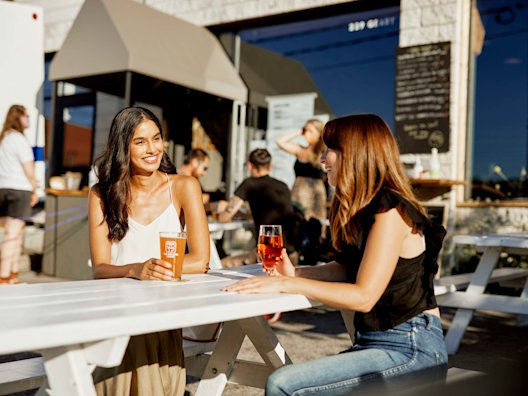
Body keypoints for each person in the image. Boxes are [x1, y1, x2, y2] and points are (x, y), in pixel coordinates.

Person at [226, 114, 448, 395]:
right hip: (377, 344)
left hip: (412, 349)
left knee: (284, 384)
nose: (323, 159)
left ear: (355, 154)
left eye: (330, 149)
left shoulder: (391, 210)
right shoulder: (365, 208)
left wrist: (286, 283)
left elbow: (364, 296)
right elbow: (346, 269)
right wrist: (295, 273)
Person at [88, 106, 209, 395]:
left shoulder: (183, 186)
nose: (152, 149)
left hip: (163, 311)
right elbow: (100, 268)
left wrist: (156, 270)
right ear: (122, 146)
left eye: (156, 138)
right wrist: (135, 269)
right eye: (140, 142)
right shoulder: (101, 194)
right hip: (117, 312)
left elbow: (201, 260)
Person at [218, 148, 297, 256]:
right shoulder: (283, 186)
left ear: (250, 166)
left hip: (269, 253)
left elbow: (224, 218)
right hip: (291, 252)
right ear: (270, 167)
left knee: (224, 264)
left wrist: (220, 209)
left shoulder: (249, 184)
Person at [0, 105, 38, 285]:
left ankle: (13, 275)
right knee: (13, 235)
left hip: (3, 189)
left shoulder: (4, 138)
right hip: (19, 190)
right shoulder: (19, 140)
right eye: (26, 116)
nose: (28, 120)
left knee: (15, 232)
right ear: (18, 118)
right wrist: (34, 189)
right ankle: (4, 276)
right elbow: (28, 168)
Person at [275, 118, 327, 221]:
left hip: (315, 195)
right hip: (298, 193)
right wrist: (299, 132)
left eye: (310, 131)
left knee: (314, 225)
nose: (306, 134)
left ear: (319, 134)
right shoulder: (300, 150)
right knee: (297, 222)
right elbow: (279, 141)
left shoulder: (322, 152)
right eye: (305, 130)